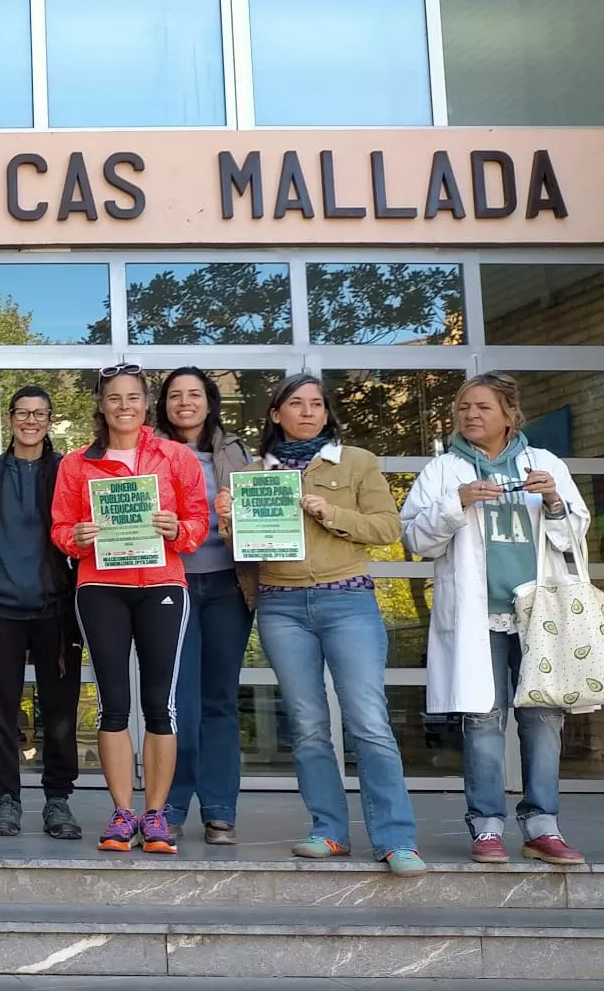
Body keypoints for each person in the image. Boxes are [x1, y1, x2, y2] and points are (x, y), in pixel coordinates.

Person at [228, 375, 425, 875]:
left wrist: (330, 511)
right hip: (281, 607)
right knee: (308, 726)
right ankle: (329, 831)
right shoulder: (253, 473)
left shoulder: (356, 461)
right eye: (296, 404)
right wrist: (230, 522)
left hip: (348, 601)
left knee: (369, 722)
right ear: (276, 414)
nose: (308, 411)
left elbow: (387, 528)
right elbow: (244, 551)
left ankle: (395, 839)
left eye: (316, 404)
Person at [402, 372, 589, 866]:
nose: (470, 414)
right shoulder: (443, 470)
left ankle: (543, 827)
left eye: (483, 407)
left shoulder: (544, 463)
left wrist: (553, 501)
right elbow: (416, 540)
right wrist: (457, 502)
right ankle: (486, 826)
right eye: (464, 407)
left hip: (539, 615)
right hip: (478, 616)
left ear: (509, 414)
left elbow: (574, 536)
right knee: (483, 721)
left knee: (543, 719)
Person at [50, 364, 207, 855]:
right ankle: (122, 813)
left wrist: (178, 530)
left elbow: (198, 521)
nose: (124, 406)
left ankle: (155, 815)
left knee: (161, 704)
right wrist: (75, 537)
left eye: (133, 397)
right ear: (101, 405)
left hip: (162, 584)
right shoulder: (76, 463)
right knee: (113, 704)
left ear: (146, 404)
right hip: (100, 586)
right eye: (114, 398)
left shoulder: (175, 456)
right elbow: (60, 528)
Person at [0, 387, 83, 840]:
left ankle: (58, 800)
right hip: (0, 611)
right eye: (23, 413)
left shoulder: (68, 472)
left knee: (60, 711)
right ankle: (6, 800)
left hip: (57, 610)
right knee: (0, 711)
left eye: (40, 414)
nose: (31, 421)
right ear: (10, 418)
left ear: (50, 420)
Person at [156, 367, 253, 845]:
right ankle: (170, 806)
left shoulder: (236, 451)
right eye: (175, 395)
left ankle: (219, 811)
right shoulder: (150, 451)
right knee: (178, 704)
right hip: (170, 586)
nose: (184, 402)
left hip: (228, 586)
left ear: (210, 401)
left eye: (194, 394)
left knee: (219, 700)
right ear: (164, 405)